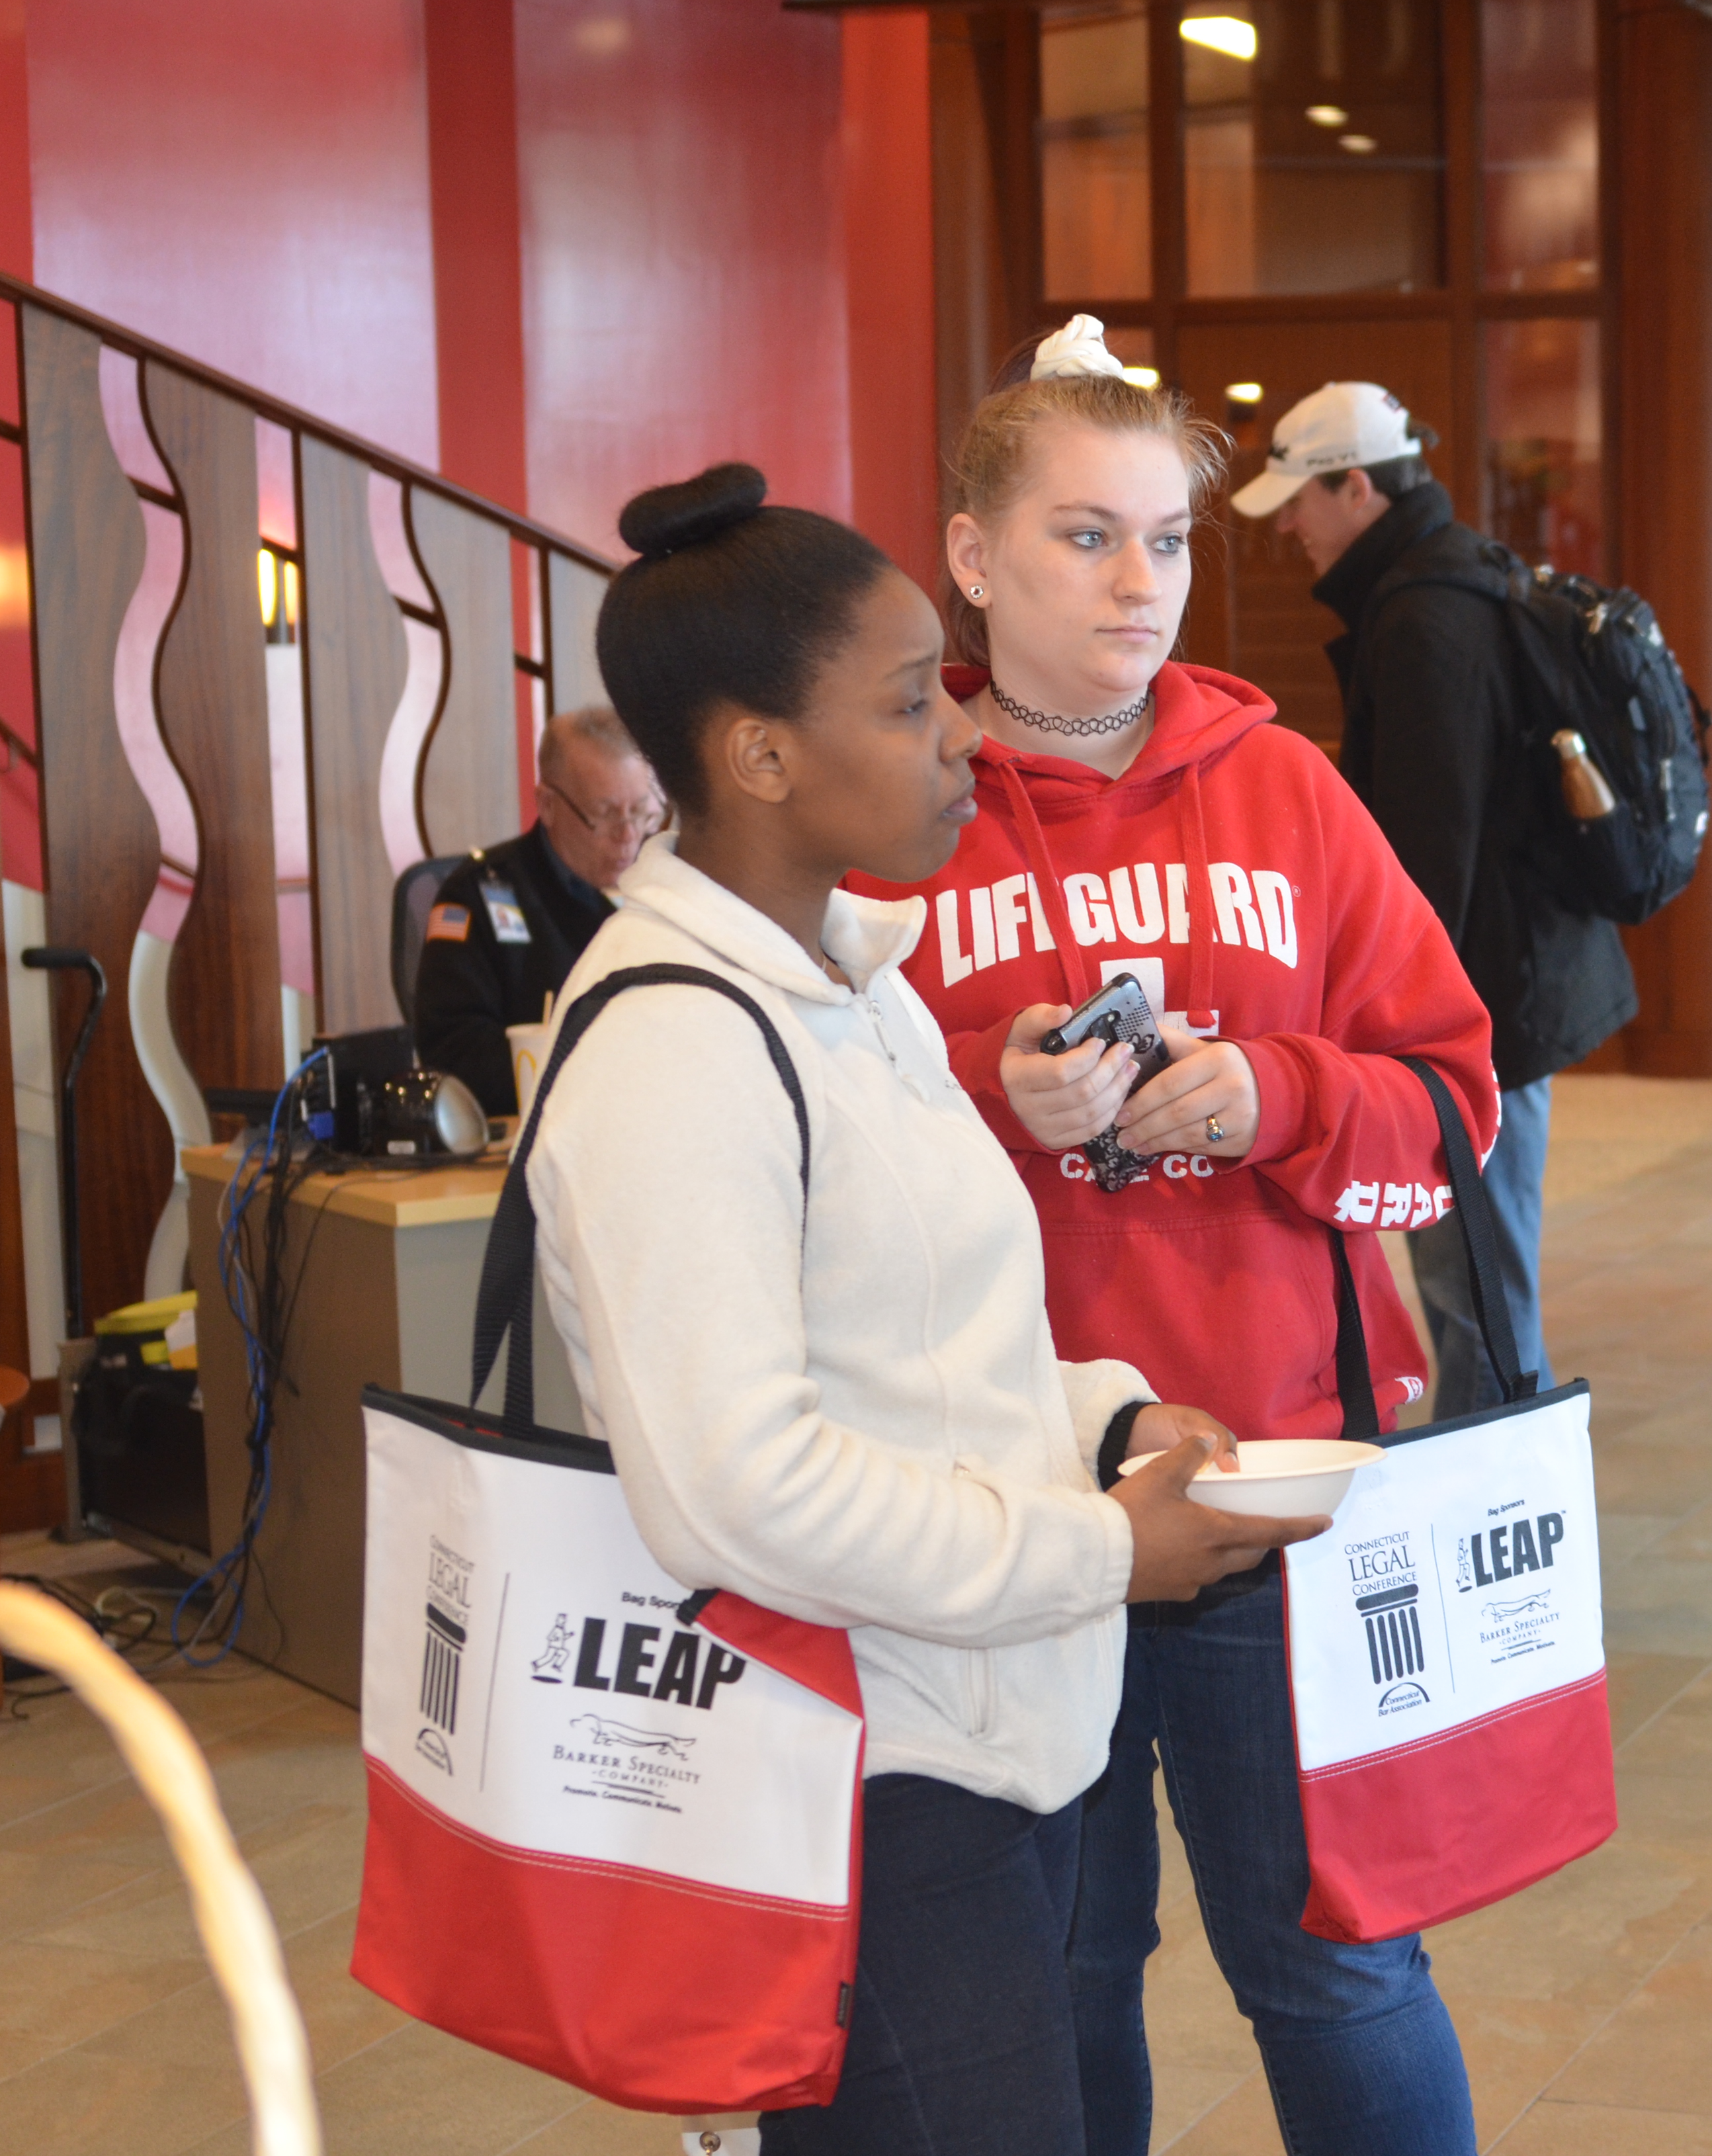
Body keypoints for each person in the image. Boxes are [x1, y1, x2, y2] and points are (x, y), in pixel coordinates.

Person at [525, 462, 1322, 2155]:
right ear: (757, 757)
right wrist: (1110, 1549)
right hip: (856, 1781)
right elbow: (740, 1488)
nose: (965, 737)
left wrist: (1108, 1412)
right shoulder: (677, 1051)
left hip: (980, 1733)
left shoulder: (848, 987)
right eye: (909, 704)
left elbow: (929, 1335)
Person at [853, 318, 1499, 2156]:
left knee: (1341, 1962)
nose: (1140, 583)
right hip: (997, 1512)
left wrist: (1279, 1096)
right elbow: (799, 1158)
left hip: (1270, 1483)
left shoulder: (1284, 788)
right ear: (972, 558)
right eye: (1085, 536)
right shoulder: (889, 814)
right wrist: (992, 1089)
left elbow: (1451, 1114)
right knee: (1059, 1972)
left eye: (1169, 540)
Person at [1235, 381, 1633, 1410]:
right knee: (1480, 1271)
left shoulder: (1423, 618)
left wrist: (1401, 1028)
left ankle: (1496, 1500)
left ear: (1356, 488)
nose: (1289, 527)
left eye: (1300, 501)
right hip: (1512, 979)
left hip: (1479, 1008)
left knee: (1477, 1286)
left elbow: (1426, 856)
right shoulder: (1453, 582)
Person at [411, 704, 665, 1113]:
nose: (629, 837)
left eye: (641, 813)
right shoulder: (480, 896)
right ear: (548, 805)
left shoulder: (666, 893)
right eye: (604, 815)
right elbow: (453, 1052)